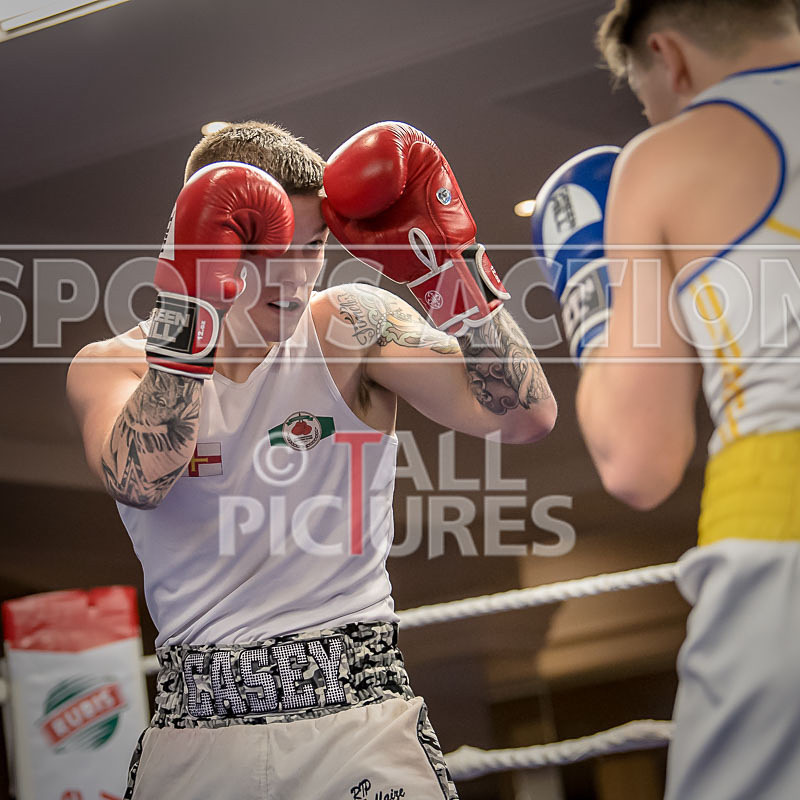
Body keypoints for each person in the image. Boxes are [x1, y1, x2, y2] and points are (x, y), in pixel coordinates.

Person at [67, 120, 556, 800]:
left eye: (314, 247)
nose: (295, 279)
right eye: (269, 252)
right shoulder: (109, 366)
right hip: (197, 739)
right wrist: (190, 303)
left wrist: (457, 273)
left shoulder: (351, 326)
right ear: (208, 245)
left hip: (359, 718)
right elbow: (141, 477)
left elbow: (523, 416)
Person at [532, 1, 800, 798]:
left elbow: (638, 463)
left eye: (649, 99)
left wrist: (590, 302)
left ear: (668, 57)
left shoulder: (667, 159)